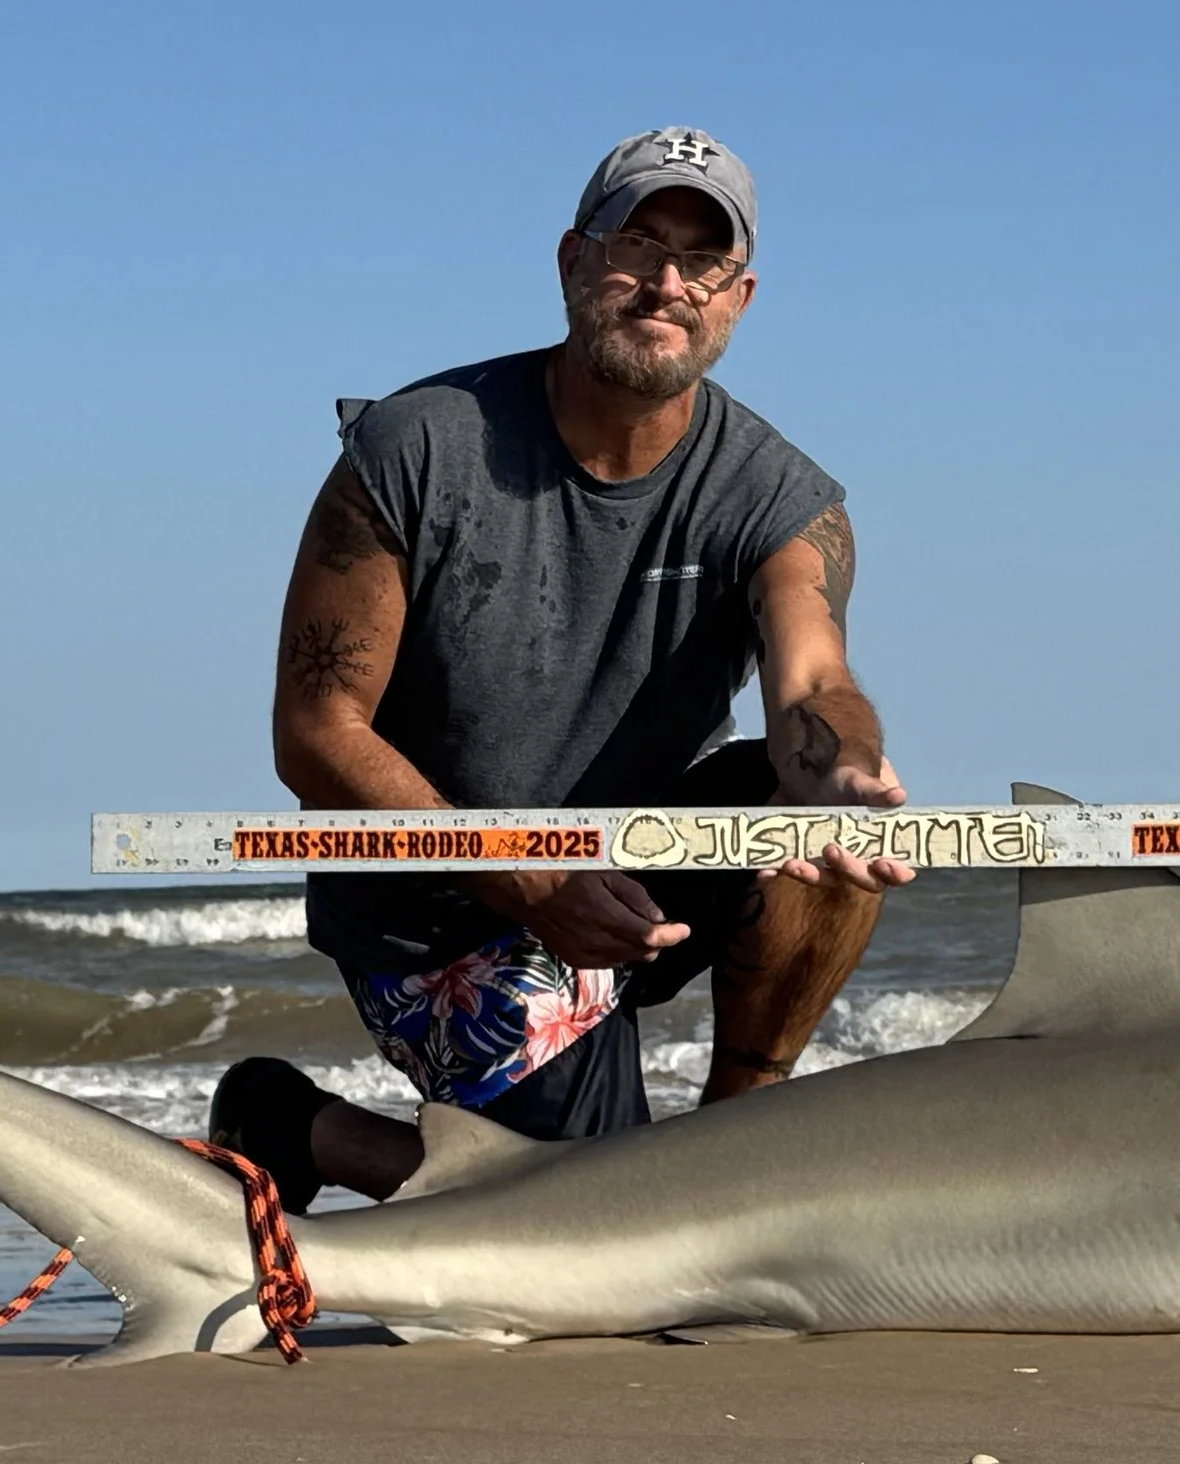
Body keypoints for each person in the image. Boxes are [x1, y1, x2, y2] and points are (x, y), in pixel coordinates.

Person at [208, 126, 912, 1213]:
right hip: (436, 899)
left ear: (739, 297)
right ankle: (297, 1128)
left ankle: (727, 1162)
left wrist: (845, 772)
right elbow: (315, 736)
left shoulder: (783, 500)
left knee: (810, 823)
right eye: (635, 244)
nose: (666, 283)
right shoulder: (412, 451)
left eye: (703, 263)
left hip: (630, 869)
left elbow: (814, 683)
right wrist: (524, 877)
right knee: (577, 1219)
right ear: (573, 261)